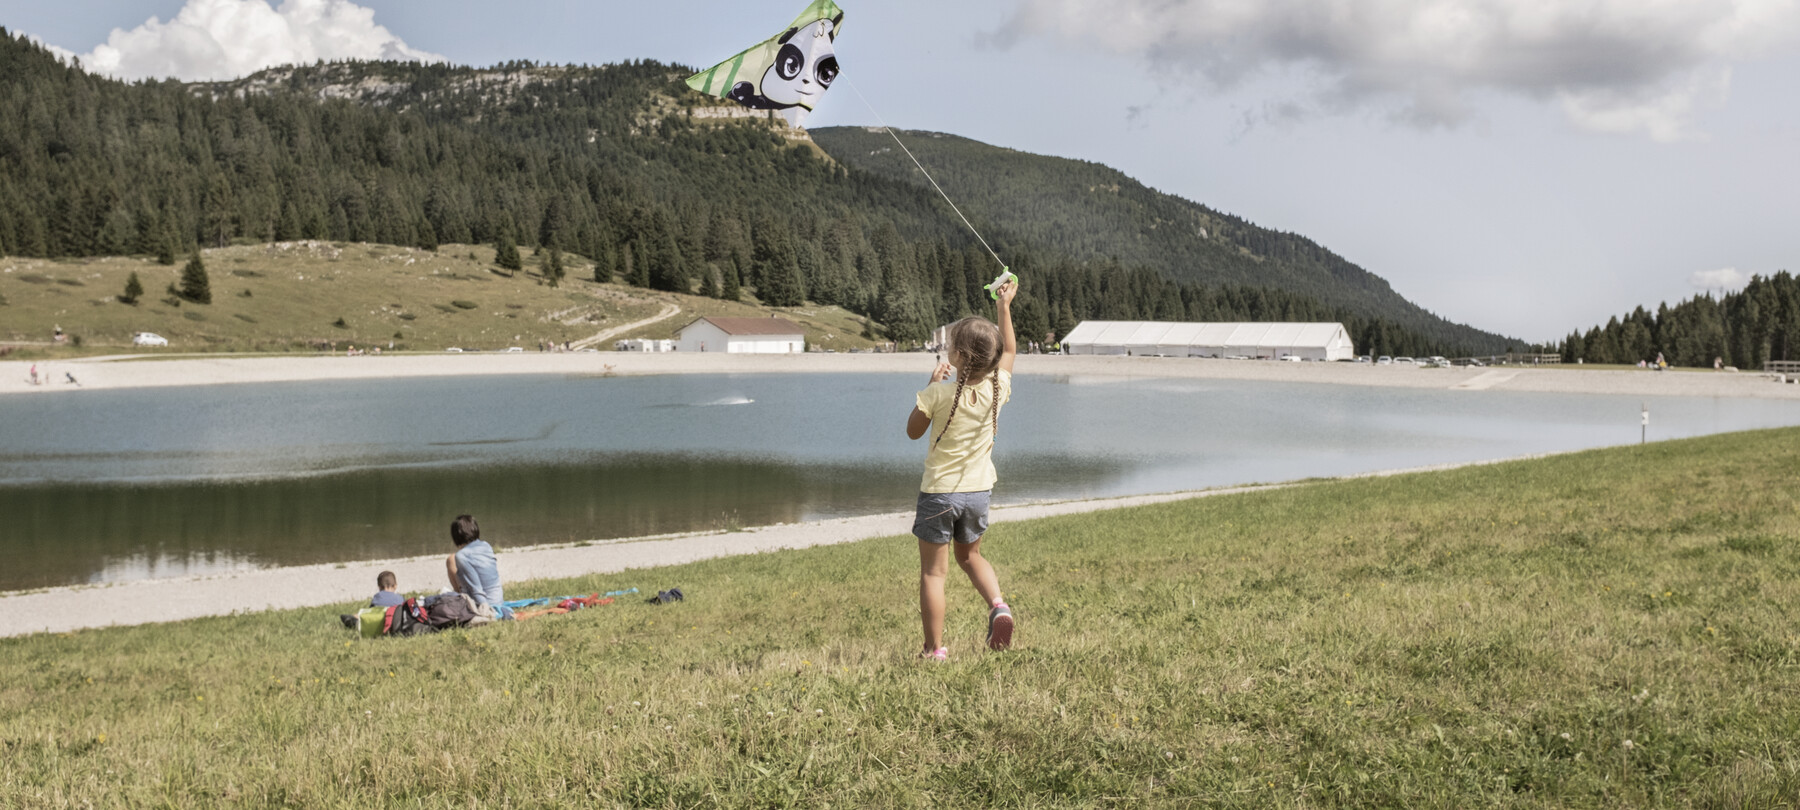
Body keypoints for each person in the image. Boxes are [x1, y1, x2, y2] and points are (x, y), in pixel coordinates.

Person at [904, 279, 1018, 660]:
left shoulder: (938, 394)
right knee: (970, 557)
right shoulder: (998, 387)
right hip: (978, 493)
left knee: (934, 574)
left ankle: (933, 649)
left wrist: (931, 385)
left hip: (939, 494)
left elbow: (912, 432)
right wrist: (1004, 307)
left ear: (959, 355)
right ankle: (998, 605)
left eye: (951, 344)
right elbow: (1011, 351)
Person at [446, 514, 512, 619]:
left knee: (450, 560)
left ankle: (458, 593)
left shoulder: (461, 556)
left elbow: (475, 588)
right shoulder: (486, 545)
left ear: (456, 536)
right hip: (498, 600)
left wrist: (485, 610)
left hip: (485, 604)